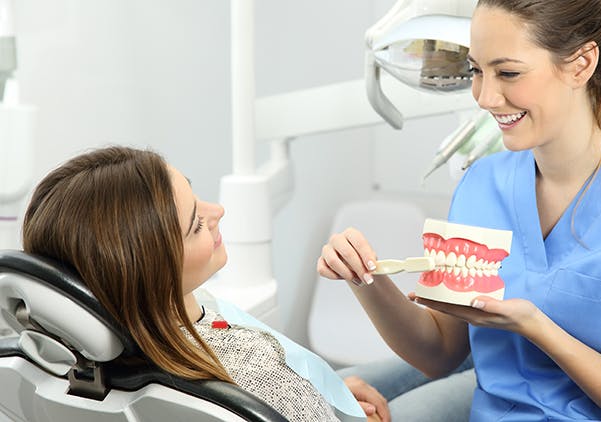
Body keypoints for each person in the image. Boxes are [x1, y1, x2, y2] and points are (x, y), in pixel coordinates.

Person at [318, 1, 601, 421]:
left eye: (508, 73)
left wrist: (538, 328)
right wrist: (366, 278)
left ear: (582, 64)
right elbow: (439, 353)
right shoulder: (483, 185)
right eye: (476, 71)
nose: (485, 97)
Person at [22, 146, 390, 422]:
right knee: (448, 378)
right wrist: (303, 400)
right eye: (196, 224)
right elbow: (273, 388)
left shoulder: (91, 363)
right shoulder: (258, 378)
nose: (217, 212)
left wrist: (320, 391)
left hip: (304, 393)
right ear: (153, 276)